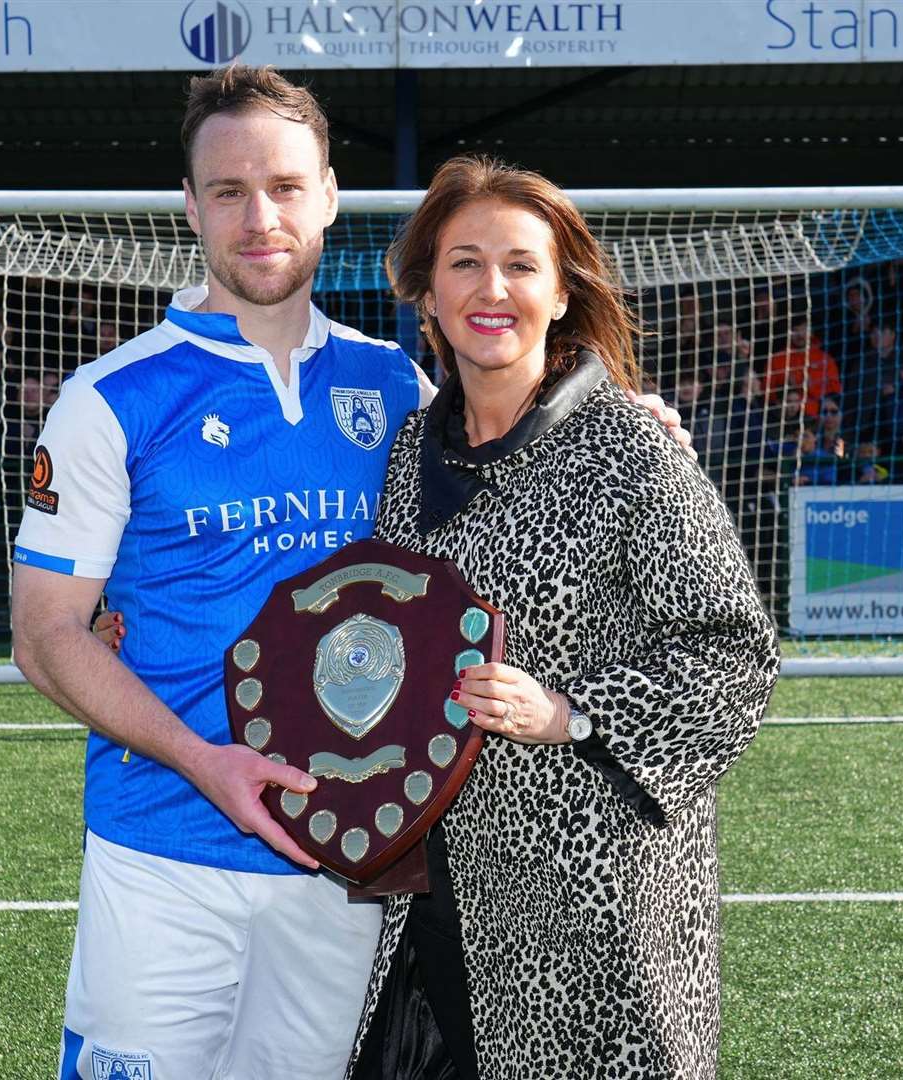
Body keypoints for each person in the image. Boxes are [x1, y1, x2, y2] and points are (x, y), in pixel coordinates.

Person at [21, 66, 694, 1080]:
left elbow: (506, 455)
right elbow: (45, 637)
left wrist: (616, 428)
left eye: (287, 187)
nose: (260, 217)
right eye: (230, 191)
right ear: (190, 206)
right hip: (163, 852)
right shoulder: (108, 401)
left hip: (348, 858)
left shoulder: (391, 383)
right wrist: (208, 764)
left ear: (330, 194)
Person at [337, 156, 779, 1078]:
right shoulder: (412, 447)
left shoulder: (631, 449)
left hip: (593, 906)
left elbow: (736, 655)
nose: (490, 289)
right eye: (463, 262)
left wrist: (571, 712)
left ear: (563, 291)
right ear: (426, 291)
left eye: (520, 264)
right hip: (441, 886)